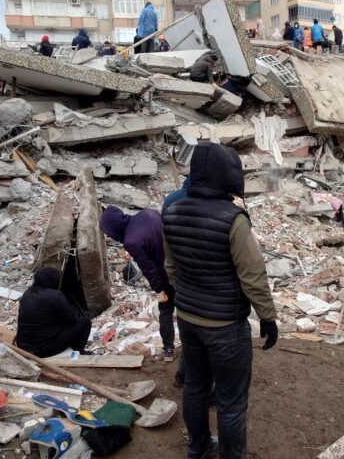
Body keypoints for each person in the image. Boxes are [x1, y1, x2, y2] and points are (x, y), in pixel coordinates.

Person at [163, 141, 278, 459]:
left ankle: (197, 449)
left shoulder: (171, 212)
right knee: (230, 399)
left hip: (187, 320)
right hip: (226, 327)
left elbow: (171, 269)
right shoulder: (233, 219)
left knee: (196, 387)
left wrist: (191, 294)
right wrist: (267, 317)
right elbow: (252, 276)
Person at [100, 206, 176, 362]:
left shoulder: (131, 241)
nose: (109, 236)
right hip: (182, 263)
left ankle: (169, 349)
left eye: (108, 232)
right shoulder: (147, 212)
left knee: (166, 309)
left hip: (166, 275)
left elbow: (149, 268)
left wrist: (158, 290)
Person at [16, 267, 93, 358]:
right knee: (85, 322)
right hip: (43, 350)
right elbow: (72, 320)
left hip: (22, 347)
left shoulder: (27, 293)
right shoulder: (55, 296)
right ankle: (79, 351)